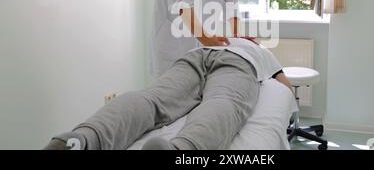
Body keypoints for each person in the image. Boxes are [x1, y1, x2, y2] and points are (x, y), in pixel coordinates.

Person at [43, 39, 293, 150]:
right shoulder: (260, 51)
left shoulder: (216, 37)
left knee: (153, 98)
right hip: (239, 65)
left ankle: (84, 139)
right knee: (223, 103)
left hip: (195, 55)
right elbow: (284, 87)